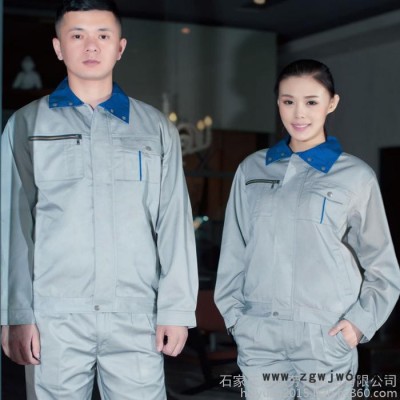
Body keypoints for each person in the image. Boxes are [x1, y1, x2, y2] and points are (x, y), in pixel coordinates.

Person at [1, 1, 198, 399]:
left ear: (119, 47)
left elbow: (174, 221)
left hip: (137, 314)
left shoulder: (155, 128)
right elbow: (12, 225)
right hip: (55, 315)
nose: (91, 46)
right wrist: (15, 313)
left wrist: (177, 309)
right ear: (58, 47)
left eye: (102, 36)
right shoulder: (26, 124)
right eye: (77, 35)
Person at [214, 59, 400, 400]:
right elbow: (234, 252)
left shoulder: (355, 177)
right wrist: (236, 319)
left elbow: (382, 266)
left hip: (325, 336)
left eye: (311, 102)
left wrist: (358, 324)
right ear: (278, 103)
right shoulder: (252, 170)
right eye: (288, 101)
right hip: (260, 334)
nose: (299, 113)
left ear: (332, 103)